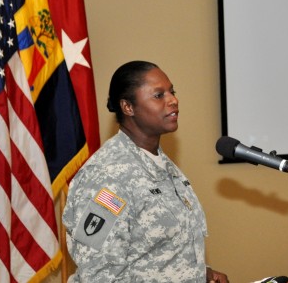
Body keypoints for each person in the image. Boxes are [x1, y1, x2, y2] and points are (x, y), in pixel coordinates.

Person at [63, 60, 229, 283]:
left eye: (172, 91)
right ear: (128, 107)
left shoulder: (162, 164)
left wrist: (200, 274)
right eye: (159, 95)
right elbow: (99, 274)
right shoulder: (108, 176)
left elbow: (156, 251)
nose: (173, 100)